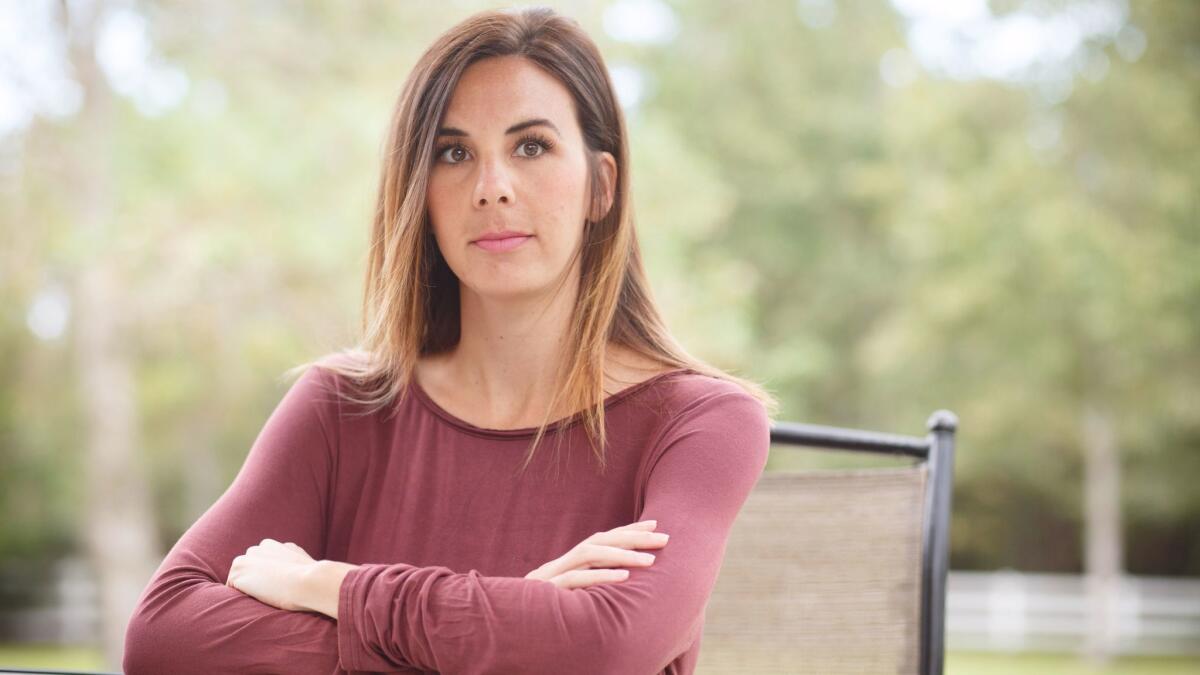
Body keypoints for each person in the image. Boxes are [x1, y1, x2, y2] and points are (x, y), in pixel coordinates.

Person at [123, 6, 776, 674]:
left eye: (531, 146)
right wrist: (509, 621)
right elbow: (163, 636)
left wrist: (329, 586)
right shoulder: (341, 405)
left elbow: (607, 642)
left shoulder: (701, 422)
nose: (491, 188)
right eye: (454, 153)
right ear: (421, 193)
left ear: (600, 186)